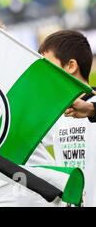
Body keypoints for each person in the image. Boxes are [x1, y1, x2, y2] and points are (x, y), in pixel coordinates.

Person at [39, 30, 96, 206]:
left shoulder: (93, 105)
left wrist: (92, 110)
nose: (44, 75)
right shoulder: (53, 114)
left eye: (49, 67)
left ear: (71, 66)